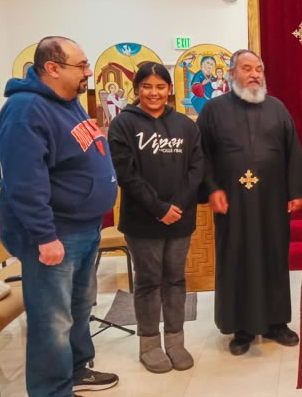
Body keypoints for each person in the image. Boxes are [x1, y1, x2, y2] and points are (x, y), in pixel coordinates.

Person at [0, 36, 119, 395]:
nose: (88, 72)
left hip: (83, 228)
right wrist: (45, 236)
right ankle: (51, 389)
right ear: (52, 68)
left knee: (78, 307)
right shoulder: (25, 111)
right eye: (81, 65)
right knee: (53, 319)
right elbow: (24, 182)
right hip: (55, 234)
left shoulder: (68, 103)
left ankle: (77, 370)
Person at [198, 49, 302, 356]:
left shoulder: (277, 108)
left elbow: (292, 150)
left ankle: (277, 323)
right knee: (237, 258)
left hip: (272, 200)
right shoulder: (213, 110)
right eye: (247, 68)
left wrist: (296, 190)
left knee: (274, 256)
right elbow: (201, 155)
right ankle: (242, 328)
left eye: (259, 69)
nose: (254, 74)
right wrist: (211, 189)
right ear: (231, 73)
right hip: (232, 202)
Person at [108, 62, 204, 373]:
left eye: (160, 86)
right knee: (148, 281)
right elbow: (126, 174)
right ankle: (149, 344)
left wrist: (176, 205)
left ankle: (175, 341)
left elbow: (197, 168)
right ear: (137, 89)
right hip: (143, 219)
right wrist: (159, 208)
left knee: (175, 279)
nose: (154, 93)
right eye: (147, 86)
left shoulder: (185, 125)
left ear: (170, 89)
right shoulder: (123, 124)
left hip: (180, 217)